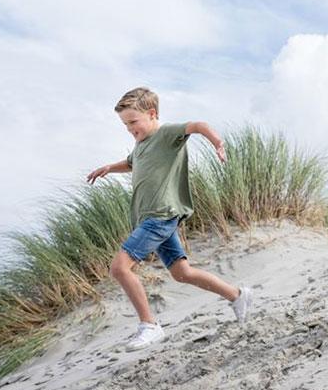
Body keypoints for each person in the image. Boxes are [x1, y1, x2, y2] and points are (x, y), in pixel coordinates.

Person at [87, 87, 253, 350]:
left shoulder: (166, 134)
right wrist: (110, 167)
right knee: (182, 273)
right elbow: (131, 163)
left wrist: (217, 142)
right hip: (151, 218)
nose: (130, 128)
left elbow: (197, 125)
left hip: (161, 216)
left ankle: (149, 325)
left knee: (119, 268)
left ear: (152, 114)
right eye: (125, 124)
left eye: (133, 122)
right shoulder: (141, 145)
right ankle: (237, 295)